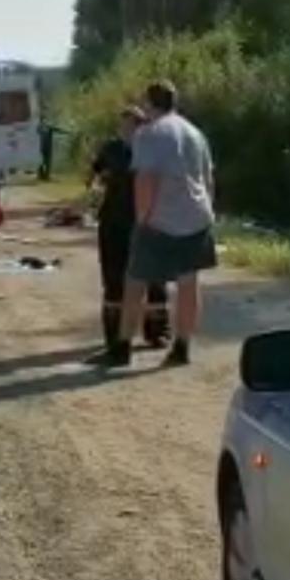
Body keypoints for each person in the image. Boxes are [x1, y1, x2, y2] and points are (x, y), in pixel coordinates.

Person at [99, 80, 217, 369]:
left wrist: (142, 219)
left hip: (161, 219)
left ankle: (122, 347)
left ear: (149, 103)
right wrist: (207, 211)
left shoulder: (149, 133)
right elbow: (208, 179)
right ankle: (182, 347)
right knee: (188, 284)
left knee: (135, 282)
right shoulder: (195, 133)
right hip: (197, 216)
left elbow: (146, 179)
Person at [85, 107, 169, 360]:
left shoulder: (154, 151)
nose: (125, 131)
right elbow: (95, 174)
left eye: (130, 126)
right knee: (114, 281)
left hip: (147, 222)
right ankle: (115, 341)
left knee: (154, 279)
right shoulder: (111, 149)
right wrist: (94, 187)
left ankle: (157, 331)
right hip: (114, 222)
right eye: (122, 126)